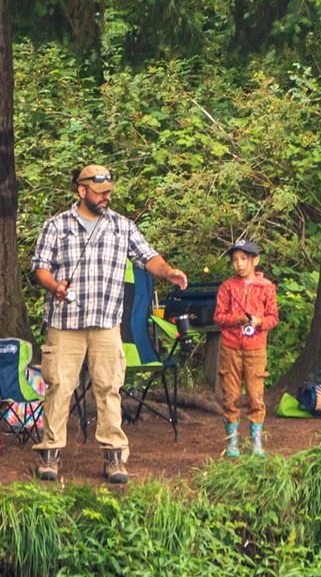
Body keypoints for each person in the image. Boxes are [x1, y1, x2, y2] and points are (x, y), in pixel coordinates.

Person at [30, 163, 190, 485]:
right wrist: (54, 286)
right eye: (100, 193)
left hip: (106, 324)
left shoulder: (123, 226)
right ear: (82, 191)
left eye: (108, 193)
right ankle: (50, 454)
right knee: (60, 387)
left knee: (109, 388)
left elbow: (149, 257)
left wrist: (168, 271)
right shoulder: (57, 225)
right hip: (65, 323)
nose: (106, 198)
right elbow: (40, 268)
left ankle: (115, 458)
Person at [212, 239, 279, 457]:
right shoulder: (227, 287)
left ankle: (255, 439)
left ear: (255, 260)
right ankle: (231, 441)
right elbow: (219, 316)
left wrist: (259, 322)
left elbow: (273, 318)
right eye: (235, 260)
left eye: (244, 259)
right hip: (230, 347)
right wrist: (238, 319)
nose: (239, 264)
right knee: (230, 395)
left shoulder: (267, 287)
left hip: (256, 348)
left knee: (255, 394)